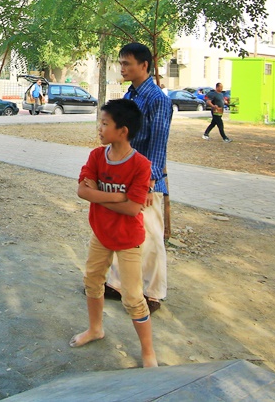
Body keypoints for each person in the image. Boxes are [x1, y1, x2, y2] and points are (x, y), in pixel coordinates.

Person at [70, 98, 158, 368]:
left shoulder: (141, 165)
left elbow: (134, 209)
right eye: (100, 122)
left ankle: (147, 352)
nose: (99, 127)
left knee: (132, 297)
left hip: (128, 240)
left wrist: (105, 198)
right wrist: (121, 196)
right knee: (92, 280)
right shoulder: (97, 156)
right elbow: (82, 191)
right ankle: (96, 329)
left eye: (105, 123)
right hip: (101, 234)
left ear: (123, 130)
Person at [105, 42, 172, 314]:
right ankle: (117, 284)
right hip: (124, 175)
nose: (122, 68)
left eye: (127, 63)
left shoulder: (157, 100)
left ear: (144, 66)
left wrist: (149, 183)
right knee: (123, 232)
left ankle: (153, 293)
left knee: (152, 236)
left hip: (147, 182)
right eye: (121, 63)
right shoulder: (131, 96)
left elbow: (158, 145)